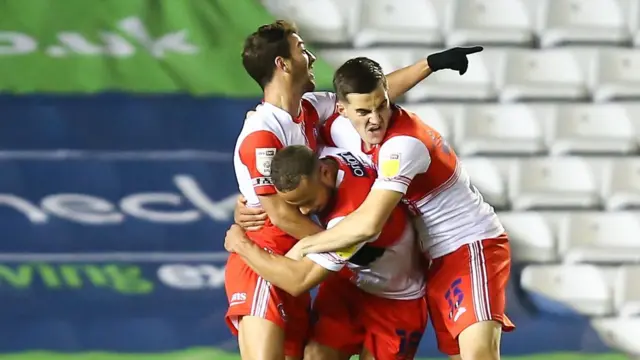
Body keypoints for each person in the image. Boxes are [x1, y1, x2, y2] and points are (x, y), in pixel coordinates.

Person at [229, 19, 485, 360]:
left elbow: (368, 98)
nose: (312, 57)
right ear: (283, 64)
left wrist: (430, 64)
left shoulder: (309, 111)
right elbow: (280, 213)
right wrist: (345, 244)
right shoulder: (264, 133)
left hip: (304, 261)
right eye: (301, 50)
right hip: (273, 261)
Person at [226, 145, 427, 360]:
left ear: (325, 173)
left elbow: (298, 280)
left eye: (308, 201)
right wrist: (253, 202)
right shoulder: (329, 150)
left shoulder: (351, 220)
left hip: (396, 300)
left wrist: (240, 244)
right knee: (315, 356)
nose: (303, 212)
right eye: (296, 205)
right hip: (346, 288)